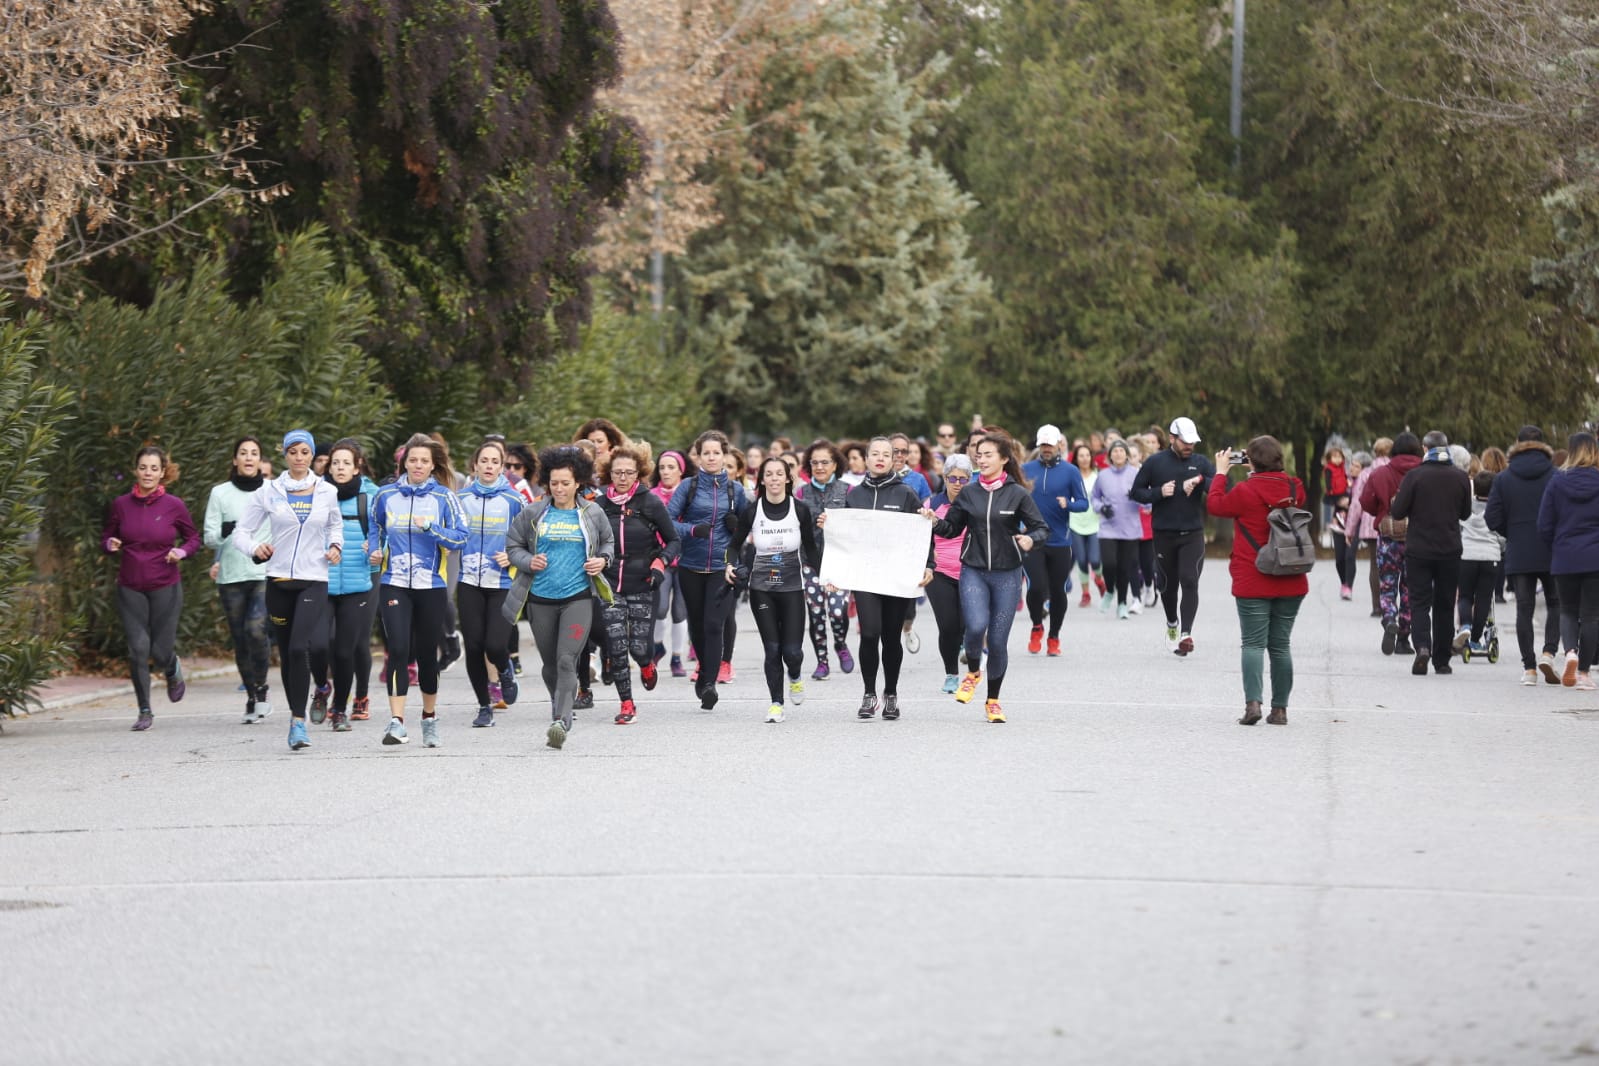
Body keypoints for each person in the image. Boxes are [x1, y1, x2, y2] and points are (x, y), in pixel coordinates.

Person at [231, 431, 344, 750]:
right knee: (287, 653)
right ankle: (297, 716)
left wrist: (336, 545)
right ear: (284, 455)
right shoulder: (269, 491)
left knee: (299, 648)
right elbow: (241, 532)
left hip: (314, 579)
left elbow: (335, 525)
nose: (299, 456)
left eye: (304, 451)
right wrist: (255, 548)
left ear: (311, 456)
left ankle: (298, 723)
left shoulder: (327, 491)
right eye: (292, 451)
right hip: (278, 581)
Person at [926, 433, 1049, 722]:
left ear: (1004, 458)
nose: (981, 459)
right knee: (976, 625)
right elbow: (951, 529)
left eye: (988, 454)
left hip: (1007, 574)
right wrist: (933, 521)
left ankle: (993, 700)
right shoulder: (969, 493)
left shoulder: (1017, 493)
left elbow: (1041, 528)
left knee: (997, 641)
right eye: (978, 455)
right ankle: (972, 673)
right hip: (974, 570)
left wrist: (1031, 539)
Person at [503, 445, 614, 748]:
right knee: (550, 664)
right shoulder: (534, 512)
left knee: (567, 660)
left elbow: (608, 543)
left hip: (577, 597)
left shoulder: (591, 512)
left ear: (578, 482)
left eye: (566, 482)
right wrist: (529, 561)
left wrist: (601, 560)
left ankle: (561, 721)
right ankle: (559, 706)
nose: (560, 488)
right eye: (554, 483)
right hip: (540, 599)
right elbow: (513, 547)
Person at [367, 437, 468, 748]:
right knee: (397, 648)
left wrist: (432, 529)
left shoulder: (444, 498)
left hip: (431, 585)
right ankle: (396, 722)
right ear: (404, 464)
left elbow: (461, 538)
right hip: (395, 581)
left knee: (426, 655)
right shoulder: (386, 495)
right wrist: (374, 550)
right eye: (413, 461)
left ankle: (429, 716)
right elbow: (376, 528)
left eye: (424, 461)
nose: (418, 466)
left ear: (433, 465)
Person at [821, 436, 932, 721]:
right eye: (875, 454)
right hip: (866, 578)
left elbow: (922, 533)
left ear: (894, 458)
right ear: (866, 459)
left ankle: (891, 694)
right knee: (869, 633)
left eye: (887, 453)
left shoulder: (906, 493)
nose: (881, 458)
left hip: (897, 578)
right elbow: (843, 539)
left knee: (891, 637)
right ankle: (869, 693)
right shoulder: (854, 495)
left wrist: (928, 565)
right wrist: (833, 562)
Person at [1206, 437, 1309, 725]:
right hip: (1291, 573)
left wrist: (1221, 472)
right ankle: (1280, 710)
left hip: (1254, 575)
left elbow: (1215, 505)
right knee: (1280, 645)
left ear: (1250, 461)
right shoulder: (1294, 488)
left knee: (1252, 643)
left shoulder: (1245, 491)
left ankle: (1253, 704)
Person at [104, 445, 199, 731]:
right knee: (137, 649)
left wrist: (181, 552)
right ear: (136, 470)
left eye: (154, 468)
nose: (148, 473)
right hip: (130, 586)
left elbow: (193, 538)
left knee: (159, 651)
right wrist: (110, 544)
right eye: (143, 467)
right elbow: (107, 535)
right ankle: (145, 709)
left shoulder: (174, 505)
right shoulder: (121, 505)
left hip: (165, 585)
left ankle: (171, 668)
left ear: (162, 473)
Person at [729, 457, 822, 722]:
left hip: (792, 587)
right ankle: (776, 703)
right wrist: (730, 565)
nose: (773, 478)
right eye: (768, 474)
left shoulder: (800, 510)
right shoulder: (752, 510)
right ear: (762, 479)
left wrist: (826, 574)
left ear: (787, 478)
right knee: (772, 649)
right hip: (762, 588)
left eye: (778, 474)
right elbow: (734, 546)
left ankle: (795, 675)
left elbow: (811, 549)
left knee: (792, 652)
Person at [596, 445, 679, 725]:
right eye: (617, 472)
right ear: (608, 473)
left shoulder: (649, 502)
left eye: (629, 473)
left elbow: (673, 541)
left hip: (643, 581)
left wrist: (660, 564)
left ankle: (647, 664)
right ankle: (626, 703)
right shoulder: (598, 505)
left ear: (639, 473)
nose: (622, 477)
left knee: (638, 647)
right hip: (609, 584)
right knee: (617, 646)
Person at [668, 430, 748, 710]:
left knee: (715, 625)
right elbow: (667, 521)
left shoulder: (736, 490)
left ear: (724, 455)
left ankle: (710, 683)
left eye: (716, 453)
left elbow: (748, 527)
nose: (712, 457)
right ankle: (703, 672)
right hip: (690, 566)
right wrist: (691, 530)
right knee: (698, 627)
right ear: (698, 456)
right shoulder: (687, 487)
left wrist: (736, 526)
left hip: (722, 567)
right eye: (706, 453)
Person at [1388, 431, 1473, 676]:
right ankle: (1442, 660)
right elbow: (1466, 514)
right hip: (1449, 549)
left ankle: (1423, 647)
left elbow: (1398, 511)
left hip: (1419, 549)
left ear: (1426, 449)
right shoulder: (1460, 477)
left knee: (1419, 602)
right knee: (1445, 605)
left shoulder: (1414, 476)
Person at [1129, 416, 1216, 655]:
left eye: (1192, 442)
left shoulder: (1200, 462)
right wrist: (1159, 492)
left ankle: (1186, 634)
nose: (1189, 446)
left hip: (1193, 533)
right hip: (1164, 533)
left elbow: (1219, 487)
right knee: (1167, 586)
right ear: (1172, 438)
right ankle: (1172, 624)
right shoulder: (1155, 463)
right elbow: (1136, 492)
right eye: (1184, 441)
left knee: (1190, 579)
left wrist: (1199, 481)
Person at [311, 438, 381, 730]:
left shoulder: (371, 496)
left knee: (345, 650)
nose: (339, 468)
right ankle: (322, 688)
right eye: (335, 462)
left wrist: (376, 548)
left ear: (357, 467)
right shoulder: (314, 493)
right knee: (317, 645)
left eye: (345, 463)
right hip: (320, 582)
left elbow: (384, 532)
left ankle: (339, 710)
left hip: (357, 584)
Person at [455, 440, 525, 728]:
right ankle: (484, 706)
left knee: (495, 644)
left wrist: (512, 555)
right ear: (475, 465)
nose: (489, 466)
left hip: (501, 581)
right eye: (484, 461)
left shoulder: (514, 500)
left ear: (501, 467)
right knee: (473, 646)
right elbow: (449, 533)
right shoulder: (460, 499)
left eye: (494, 462)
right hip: (469, 580)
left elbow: (530, 538)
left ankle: (505, 670)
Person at [203, 437, 272, 724]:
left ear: (260, 460)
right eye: (242, 453)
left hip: (263, 573)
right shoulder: (220, 493)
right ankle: (252, 696)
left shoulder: (271, 491)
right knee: (240, 637)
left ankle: (263, 686)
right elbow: (208, 537)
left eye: (254, 453)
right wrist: (224, 531)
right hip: (231, 575)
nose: (248, 457)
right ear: (234, 460)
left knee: (256, 629)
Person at [1485, 426, 1562, 685]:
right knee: (1555, 602)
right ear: (1542, 445)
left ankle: (1529, 668)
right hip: (1551, 548)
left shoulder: (1504, 478)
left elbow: (1491, 517)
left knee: (1524, 608)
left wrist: (1514, 532)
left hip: (1519, 549)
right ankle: (1549, 652)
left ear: (1517, 444)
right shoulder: (1555, 475)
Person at [1537, 432, 1599, 690]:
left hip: (1565, 556)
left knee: (1568, 611)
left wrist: (1557, 545)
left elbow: (1544, 524)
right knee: (1592, 615)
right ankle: (1584, 673)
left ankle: (1570, 652)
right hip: (1595, 557)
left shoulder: (1556, 482)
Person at [1021, 425, 1088, 655]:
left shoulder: (1071, 471)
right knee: (1036, 587)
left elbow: (1083, 503)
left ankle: (1054, 637)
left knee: (1058, 590)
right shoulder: (1026, 469)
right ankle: (1037, 626)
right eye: (1043, 445)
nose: (1047, 449)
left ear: (1059, 444)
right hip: (1032, 540)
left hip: (1060, 540)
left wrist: (1067, 504)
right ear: (1039, 445)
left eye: (1050, 444)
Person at [1360, 433, 1423, 656]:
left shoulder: (1380, 473)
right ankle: (1404, 638)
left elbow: (1365, 501)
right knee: (1409, 588)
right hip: (1417, 537)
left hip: (1388, 537)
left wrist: (1381, 510)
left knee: (1388, 583)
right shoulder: (1423, 472)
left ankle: (1388, 618)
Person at [796, 440, 854, 680]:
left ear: (835, 464)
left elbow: (856, 528)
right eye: (815, 462)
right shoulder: (801, 492)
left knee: (838, 611)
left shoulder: (848, 490)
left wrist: (835, 525)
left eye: (825, 462)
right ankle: (822, 661)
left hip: (840, 561)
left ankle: (840, 643)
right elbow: (795, 526)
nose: (819, 467)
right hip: (811, 561)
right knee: (816, 612)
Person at [925, 454, 971, 692]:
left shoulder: (975, 504)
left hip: (970, 571)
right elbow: (921, 538)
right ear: (944, 478)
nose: (956, 483)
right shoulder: (932, 505)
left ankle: (966, 649)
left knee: (967, 624)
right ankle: (951, 674)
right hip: (940, 571)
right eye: (952, 478)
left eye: (963, 480)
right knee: (948, 625)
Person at [650, 449, 693, 678]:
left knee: (679, 612)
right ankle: (658, 645)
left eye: (671, 467)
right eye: (662, 468)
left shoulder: (689, 494)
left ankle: (677, 658)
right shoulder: (652, 495)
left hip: (687, 559)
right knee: (660, 607)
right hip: (662, 558)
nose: (666, 472)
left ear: (681, 471)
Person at [1454, 471, 1505, 657]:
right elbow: (1501, 535)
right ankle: (1475, 638)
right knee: (1484, 598)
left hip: (1467, 555)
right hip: (1490, 557)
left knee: (1465, 595)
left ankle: (1465, 625)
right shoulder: (1497, 509)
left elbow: (1458, 528)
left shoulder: (1465, 508)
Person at [1091, 439, 1143, 619]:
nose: (1118, 453)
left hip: (1130, 528)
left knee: (1124, 568)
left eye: (1121, 451)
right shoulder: (1103, 475)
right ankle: (1109, 590)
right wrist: (1101, 508)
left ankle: (1121, 603)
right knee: (1110, 563)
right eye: (1115, 451)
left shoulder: (1136, 474)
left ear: (1127, 454)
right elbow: (1095, 498)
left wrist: (1136, 496)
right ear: (1110, 456)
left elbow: (1147, 501)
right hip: (1108, 528)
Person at [1346, 440, 1390, 618]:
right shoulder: (1396, 470)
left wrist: (1349, 529)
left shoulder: (1366, 473)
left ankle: (1377, 606)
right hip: (1394, 523)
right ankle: (1391, 604)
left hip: (1370, 525)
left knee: (1375, 565)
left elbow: (1357, 503)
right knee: (1393, 564)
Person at [1069, 443, 1106, 609]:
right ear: (1076, 458)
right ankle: (1086, 594)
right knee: (1082, 561)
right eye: (1081, 455)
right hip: (1075, 522)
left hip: (1095, 523)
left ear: (1091, 457)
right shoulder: (1071, 476)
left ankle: (1099, 579)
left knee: (1095, 560)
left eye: (1087, 455)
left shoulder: (1099, 476)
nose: (1084, 458)